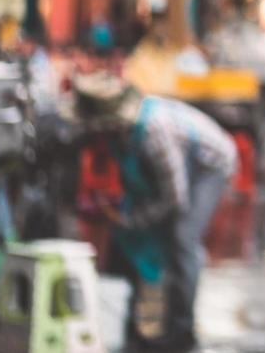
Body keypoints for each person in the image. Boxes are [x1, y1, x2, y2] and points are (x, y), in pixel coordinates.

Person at [73, 73, 237, 353]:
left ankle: (182, 331)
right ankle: (131, 325)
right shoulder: (117, 134)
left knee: (182, 238)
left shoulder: (152, 132)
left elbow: (174, 197)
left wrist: (131, 219)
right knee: (136, 235)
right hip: (176, 171)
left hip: (209, 165)